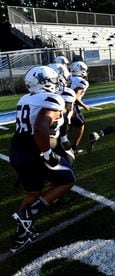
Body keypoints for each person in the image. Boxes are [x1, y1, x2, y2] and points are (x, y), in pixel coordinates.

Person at [9, 66, 75, 253]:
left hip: (18, 150)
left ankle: (21, 235)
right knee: (67, 180)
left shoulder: (25, 98)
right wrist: (47, 153)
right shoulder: (52, 99)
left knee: (33, 192)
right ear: (46, 82)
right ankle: (29, 212)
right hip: (35, 151)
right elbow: (40, 126)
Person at [68, 61, 90, 154]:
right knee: (80, 125)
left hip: (62, 104)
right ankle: (73, 148)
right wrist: (84, 106)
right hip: (71, 105)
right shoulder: (82, 82)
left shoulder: (68, 77)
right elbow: (75, 97)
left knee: (67, 126)